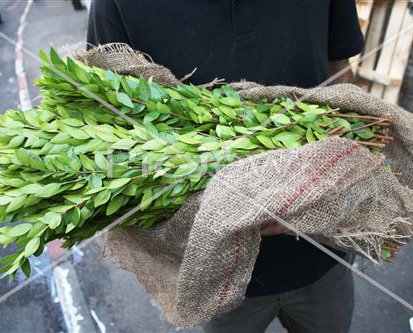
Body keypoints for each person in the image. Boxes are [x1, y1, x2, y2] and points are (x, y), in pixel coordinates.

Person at [87, 1, 364, 332]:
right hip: (219, 277)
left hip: (323, 250)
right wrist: (219, 211)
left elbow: (340, 74)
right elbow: (115, 139)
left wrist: (350, 157)